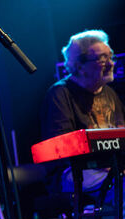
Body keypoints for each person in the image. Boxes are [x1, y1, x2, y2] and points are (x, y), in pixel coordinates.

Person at [40, 29, 124, 196]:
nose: (111, 64)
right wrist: (104, 163)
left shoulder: (110, 93)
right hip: (72, 172)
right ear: (79, 66)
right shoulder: (60, 94)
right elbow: (62, 149)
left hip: (109, 168)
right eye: (102, 59)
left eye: (111, 57)